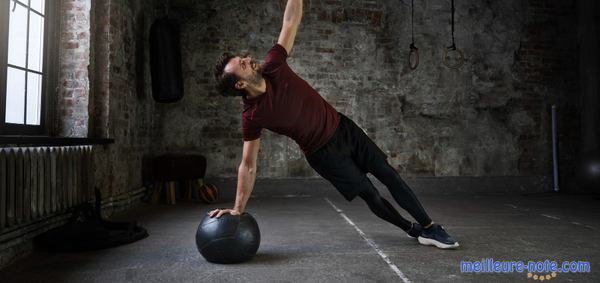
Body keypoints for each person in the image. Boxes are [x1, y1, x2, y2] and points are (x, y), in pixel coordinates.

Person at [209, 0, 459, 249]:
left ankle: (428, 227)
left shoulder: (273, 64)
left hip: (343, 129)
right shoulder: (252, 116)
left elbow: (289, 22)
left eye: (242, 57)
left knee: (388, 174)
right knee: (370, 194)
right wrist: (237, 208)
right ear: (240, 84)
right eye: (241, 64)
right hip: (324, 155)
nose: (247, 58)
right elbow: (248, 164)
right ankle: (411, 229)